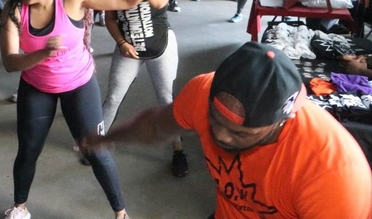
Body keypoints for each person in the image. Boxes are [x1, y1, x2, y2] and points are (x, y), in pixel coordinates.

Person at [82, 42, 372, 219]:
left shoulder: (334, 172)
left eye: (240, 134)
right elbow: (157, 126)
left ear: (280, 122)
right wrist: (108, 139)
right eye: (214, 121)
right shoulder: (202, 90)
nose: (220, 136)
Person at [0, 0, 163, 219]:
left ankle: (120, 213)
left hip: (79, 84)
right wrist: (41, 55)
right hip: (37, 86)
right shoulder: (15, 9)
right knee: (28, 150)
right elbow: (9, 61)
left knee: (96, 149)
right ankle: (19, 207)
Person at [102, 0, 187, 177]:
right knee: (114, 97)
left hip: (161, 48)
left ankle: (179, 150)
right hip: (129, 51)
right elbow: (110, 17)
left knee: (165, 99)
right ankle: (98, 143)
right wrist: (120, 42)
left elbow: (160, 1)